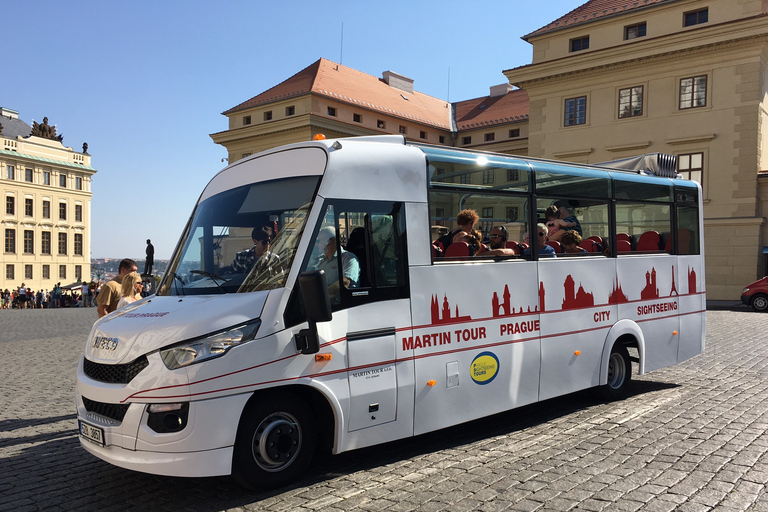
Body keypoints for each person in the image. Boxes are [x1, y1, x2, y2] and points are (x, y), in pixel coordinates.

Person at [313, 226, 359, 299]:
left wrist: (319, 297)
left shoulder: (348, 258)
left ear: (329, 240)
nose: (316, 244)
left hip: (341, 304)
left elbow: (345, 282)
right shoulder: (321, 260)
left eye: (318, 241)